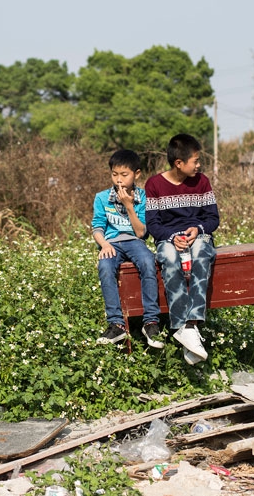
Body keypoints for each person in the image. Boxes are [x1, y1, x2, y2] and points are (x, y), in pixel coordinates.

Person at [145, 134, 219, 365]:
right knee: (168, 256)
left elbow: (212, 218)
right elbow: (153, 224)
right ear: (179, 163)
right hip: (169, 238)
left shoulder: (202, 182)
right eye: (195, 161)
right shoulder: (154, 185)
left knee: (201, 253)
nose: (198, 165)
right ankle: (181, 326)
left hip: (197, 235)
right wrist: (172, 237)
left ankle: (191, 324)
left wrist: (197, 229)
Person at [91, 149, 164, 348]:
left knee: (148, 262)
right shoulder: (102, 198)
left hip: (134, 241)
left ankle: (151, 322)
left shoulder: (143, 197)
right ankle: (116, 324)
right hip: (111, 243)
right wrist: (104, 244)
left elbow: (141, 233)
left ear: (136, 174)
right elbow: (97, 227)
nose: (119, 180)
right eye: (115, 175)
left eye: (124, 175)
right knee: (105, 267)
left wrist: (129, 206)